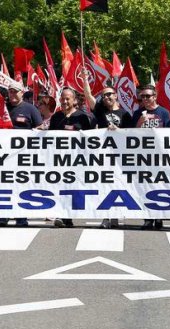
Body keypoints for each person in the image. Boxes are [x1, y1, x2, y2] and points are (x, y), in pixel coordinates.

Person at [0, 80, 42, 227]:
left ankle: (21, 216)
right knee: (3, 185)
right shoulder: (1, 108)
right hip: (3, 156)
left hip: (24, 156)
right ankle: (3, 215)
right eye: (10, 91)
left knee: (21, 186)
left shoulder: (31, 109)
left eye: (16, 91)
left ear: (22, 93)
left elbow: (40, 128)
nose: (12, 94)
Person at [82, 71, 133, 229]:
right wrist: (85, 80)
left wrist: (117, 130)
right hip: (103, 155)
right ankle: (106, 216)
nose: (106, 98)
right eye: (103, 96)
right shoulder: (100, 110)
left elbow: (132, 136)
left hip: (120, 157)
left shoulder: (125, 114)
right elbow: (88, 96)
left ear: (116, 95)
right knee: (105, 184)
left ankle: (116, 215)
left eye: (109, 94)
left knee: (118, 185)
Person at [49, 87, 94, 228]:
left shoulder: (82, 117)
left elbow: (90, 138)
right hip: (59, 161)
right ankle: (63, 215)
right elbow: (49, 138)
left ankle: (68, 215)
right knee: (60, 187)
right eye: (62, 98)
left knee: (72, 188)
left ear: (74, 100)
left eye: (68, 98)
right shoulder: (56, 117)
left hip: (77, 161)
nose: (64, 101)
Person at [131, 84, 170, 230]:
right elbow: (131, 134)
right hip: (143, 157)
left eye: (148, 96)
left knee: (159, 186)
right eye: (142, 97)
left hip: (159, 157)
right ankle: (148, 218)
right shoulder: (138, 113)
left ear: (154, 96)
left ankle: (159, 217)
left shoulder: (164, 113)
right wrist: (140, 123)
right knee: (146, 187)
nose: (145, 99)